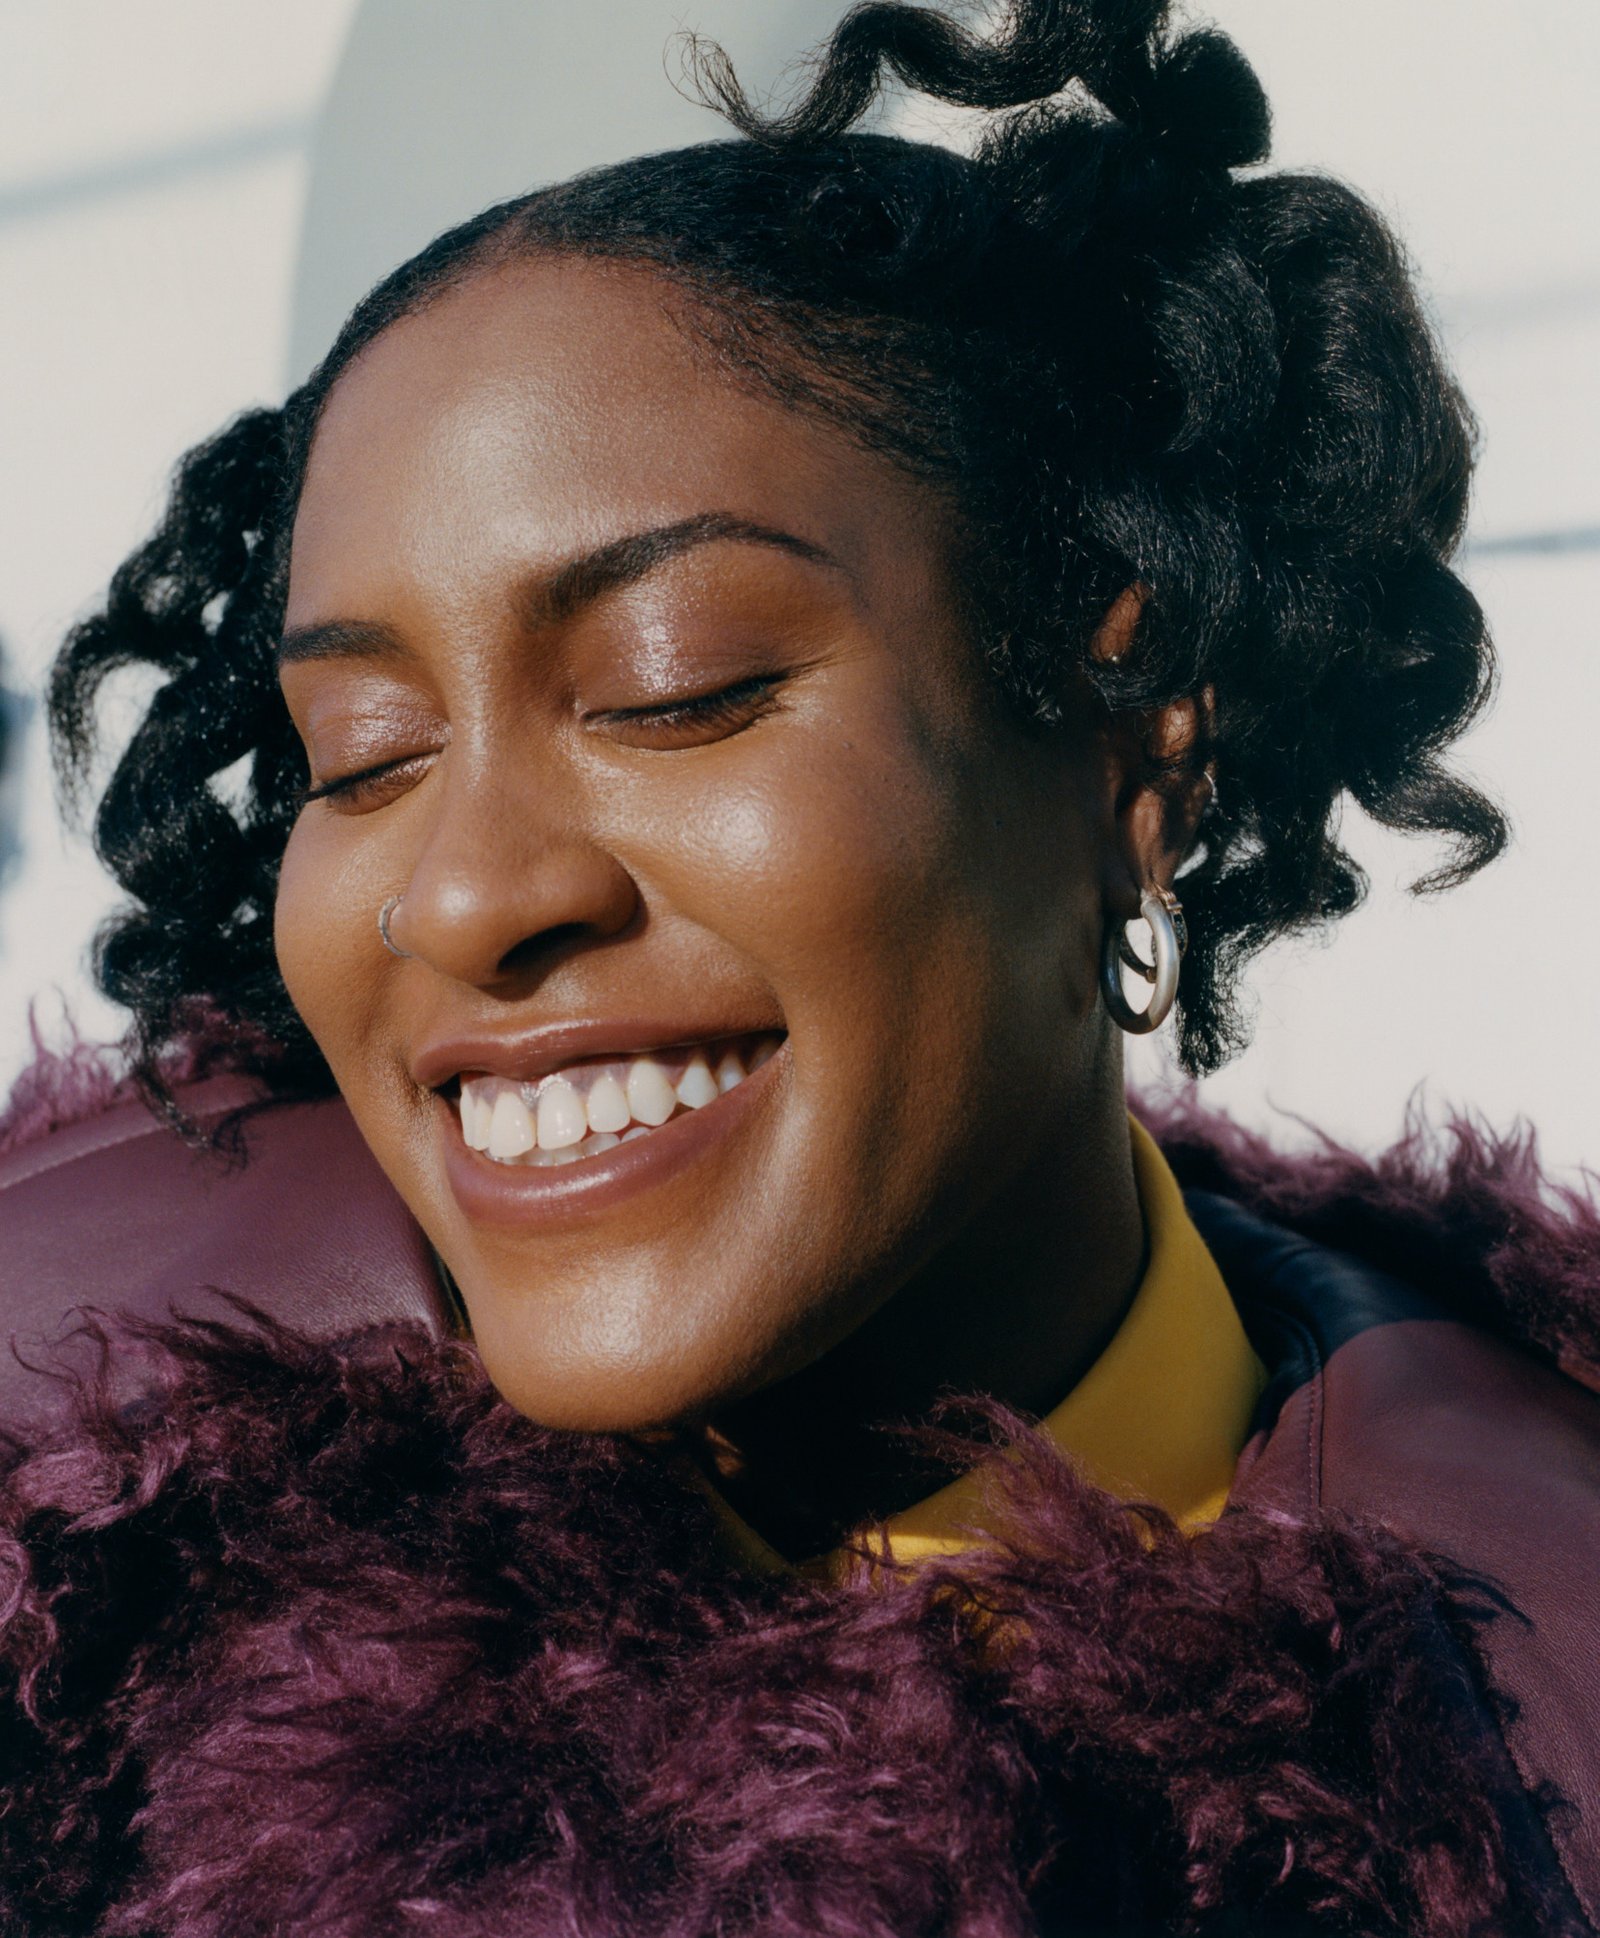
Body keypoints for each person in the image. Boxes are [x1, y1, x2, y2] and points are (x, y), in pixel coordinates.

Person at [1, 2, 1596, 1932]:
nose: (469, 893)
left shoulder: (1525, 1765)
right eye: (364, 755)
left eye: (674, 687)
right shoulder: (72, 1548)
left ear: (1130, 747)